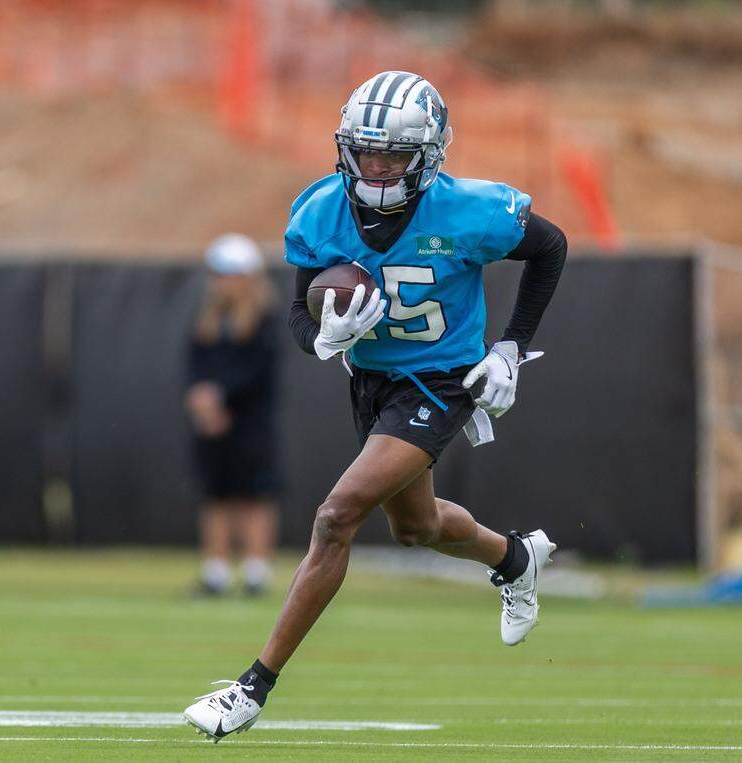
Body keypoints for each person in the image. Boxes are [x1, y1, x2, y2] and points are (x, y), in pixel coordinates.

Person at [183, 71, 567, 741]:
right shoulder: (319, 210)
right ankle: (514, 559)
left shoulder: (470, 210)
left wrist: (510, 348)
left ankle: (251, 688)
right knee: (417, 527)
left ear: (428, 154)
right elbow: (300, 315)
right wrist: (323, 338)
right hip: (371, 383)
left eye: (393, 155)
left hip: (441, 380)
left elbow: (550, 246)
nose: (377, 167)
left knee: (337, 517)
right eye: (366, 152)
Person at [185, 234, 281, 597]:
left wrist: (220, 395)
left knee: (255, 495)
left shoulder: (264, 320)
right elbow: (195, 367)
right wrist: (202, 401)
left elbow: (256, 373)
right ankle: (216, 572)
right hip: (212, 425)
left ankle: (256, 572)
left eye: (232, 274)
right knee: (216, 493)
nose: (224, 282)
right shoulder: (206, 322)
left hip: (250, 424)